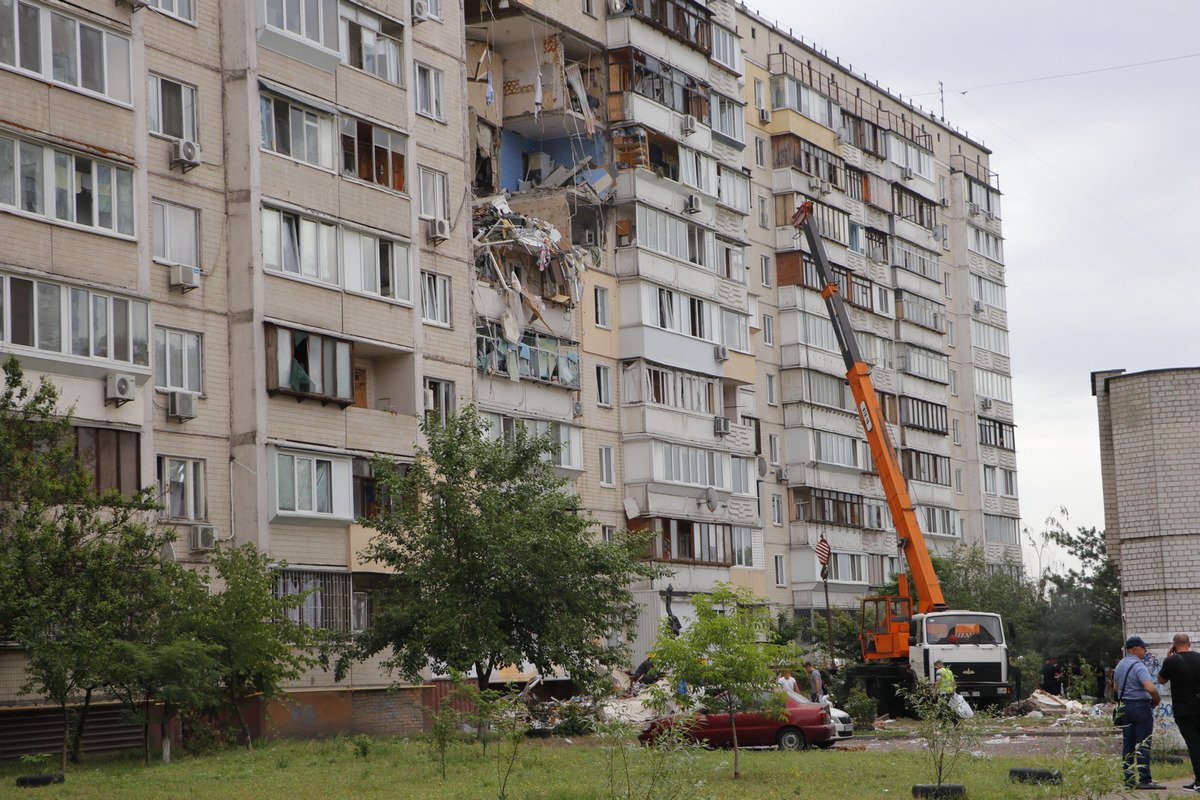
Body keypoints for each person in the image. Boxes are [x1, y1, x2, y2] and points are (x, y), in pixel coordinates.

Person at [1115, 635, 1163, 790]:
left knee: (1128, 744)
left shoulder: (1120, 665)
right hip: (1140, 707)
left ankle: (1129, 779)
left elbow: (1115, 688)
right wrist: (1156, 699)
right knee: (1143, 743)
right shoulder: (1139, 666)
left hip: (1124, 708)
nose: (1145, 650)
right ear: (1135, 649)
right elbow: (1150, 687)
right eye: (1143, 647)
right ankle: (1144, 780)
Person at [1157, 633, 1200, 793]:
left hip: (1183, 710)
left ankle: (1199, 781)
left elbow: (1161, 680)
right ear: (1189, 643)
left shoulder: (1170, 661)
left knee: (1194, 745)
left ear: (1175, 645)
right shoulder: (1199, 658)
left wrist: (1169, 657)